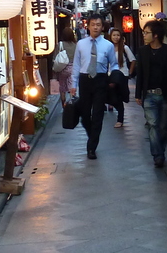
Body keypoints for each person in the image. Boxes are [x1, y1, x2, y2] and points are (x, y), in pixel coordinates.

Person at [68, 15, 116, 160]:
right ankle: (92, 135)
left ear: (102, 27)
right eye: (93, 24)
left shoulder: (108, 45)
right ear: (88, 26)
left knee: (98, 115)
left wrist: (114, 78)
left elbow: (113, 64)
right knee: (84, 115)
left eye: (98, 25)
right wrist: (73, 84)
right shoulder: (81, 44)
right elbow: (76, 65)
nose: (95, 27)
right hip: (85, 80)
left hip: (100, 80)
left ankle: (91, 147)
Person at [133, 19, 167, 169]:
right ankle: (157, 155)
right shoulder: (142, 51)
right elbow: (140, 74)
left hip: (164, 94)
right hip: (149, 95)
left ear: (156, 35)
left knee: (163, 127)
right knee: (153, 125)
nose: (144, 35)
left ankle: (161, 151)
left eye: (147, 33)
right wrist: (138, 94)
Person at [107, 27, 135, 128]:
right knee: (113, 97)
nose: (116, 37)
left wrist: (129, 73)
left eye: (118, 35)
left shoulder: (124, 47)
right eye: (114, 35)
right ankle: (115, 110)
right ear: (110, 36)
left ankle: (120, 119)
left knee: (119, 97)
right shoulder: (107, 47)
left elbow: (133, 60)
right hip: (110, 75)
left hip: (122, 75)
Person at [53, 27, 77, 107]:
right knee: (71, 86)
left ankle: (63, 103)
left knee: (62, 86)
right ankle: (71, 103)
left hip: (62, 68)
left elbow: (55, 57)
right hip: (72, 68)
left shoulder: (60, 44)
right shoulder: (75, 45)